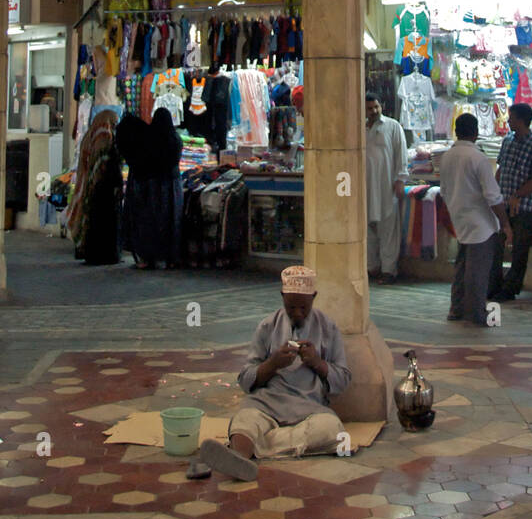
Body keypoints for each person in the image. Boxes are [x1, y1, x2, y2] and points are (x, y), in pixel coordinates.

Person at [199, 265, 350, 481]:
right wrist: (272, 364)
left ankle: (245, 451)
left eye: (303, 308)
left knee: (331, 429)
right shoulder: (267, 327)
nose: (297, 313)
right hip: (266, 403)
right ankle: (244, 450)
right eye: (291, 307)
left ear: (314, 297)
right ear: (282, 297)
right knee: (244, 420)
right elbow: (245, 379)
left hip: (310, 406)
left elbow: (343, 379)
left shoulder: (328, 328)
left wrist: (317, 363)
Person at [438, 113, 513, 325]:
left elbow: (443, 190)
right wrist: (505, 223)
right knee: (478, 270)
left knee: (462, 266)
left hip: (460, 217)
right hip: (481, 221)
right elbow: (492, 195)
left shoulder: (447, 157)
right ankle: (476, 314)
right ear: (476, 132)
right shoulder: (477, 158)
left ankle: (457, 308)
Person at [489, 104, 532, 302]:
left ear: (521, 120)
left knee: (520, 248)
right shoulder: (507, 141)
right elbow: (501, 168)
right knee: (497, 245)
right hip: (502, 203)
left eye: (512, 118)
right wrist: (493, 191)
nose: (508, 121)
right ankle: (493, 284)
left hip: (523, 206)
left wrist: (518, 195)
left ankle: (511, 287)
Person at [116, 108, 184, 270]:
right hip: (171, 189)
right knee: (171, 224)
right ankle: (170, 258)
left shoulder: (148, 138)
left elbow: (140, 158)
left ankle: (148, 258)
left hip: (150, 188)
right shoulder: (175, 140)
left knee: (148, 224)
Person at [65, 109, 122, 265]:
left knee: (94, 223)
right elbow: (102, 163)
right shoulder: (103, 137)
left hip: (91, 185)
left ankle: (94, 253)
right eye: (114, 122)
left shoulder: (90, 135)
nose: (115, 125)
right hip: (102, 188)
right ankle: (105, 255)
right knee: (103, 223)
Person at [365, 91, 408, 283]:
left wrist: (400, 179)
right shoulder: (357, 127)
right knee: (366, 230)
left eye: (376, 107)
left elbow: (401, 154)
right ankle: (370, 267)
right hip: (364, 188)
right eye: (369, 108)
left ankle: (389, 270)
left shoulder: (392, 126)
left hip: (386, 186)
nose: (374, 111)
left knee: (388, 229)